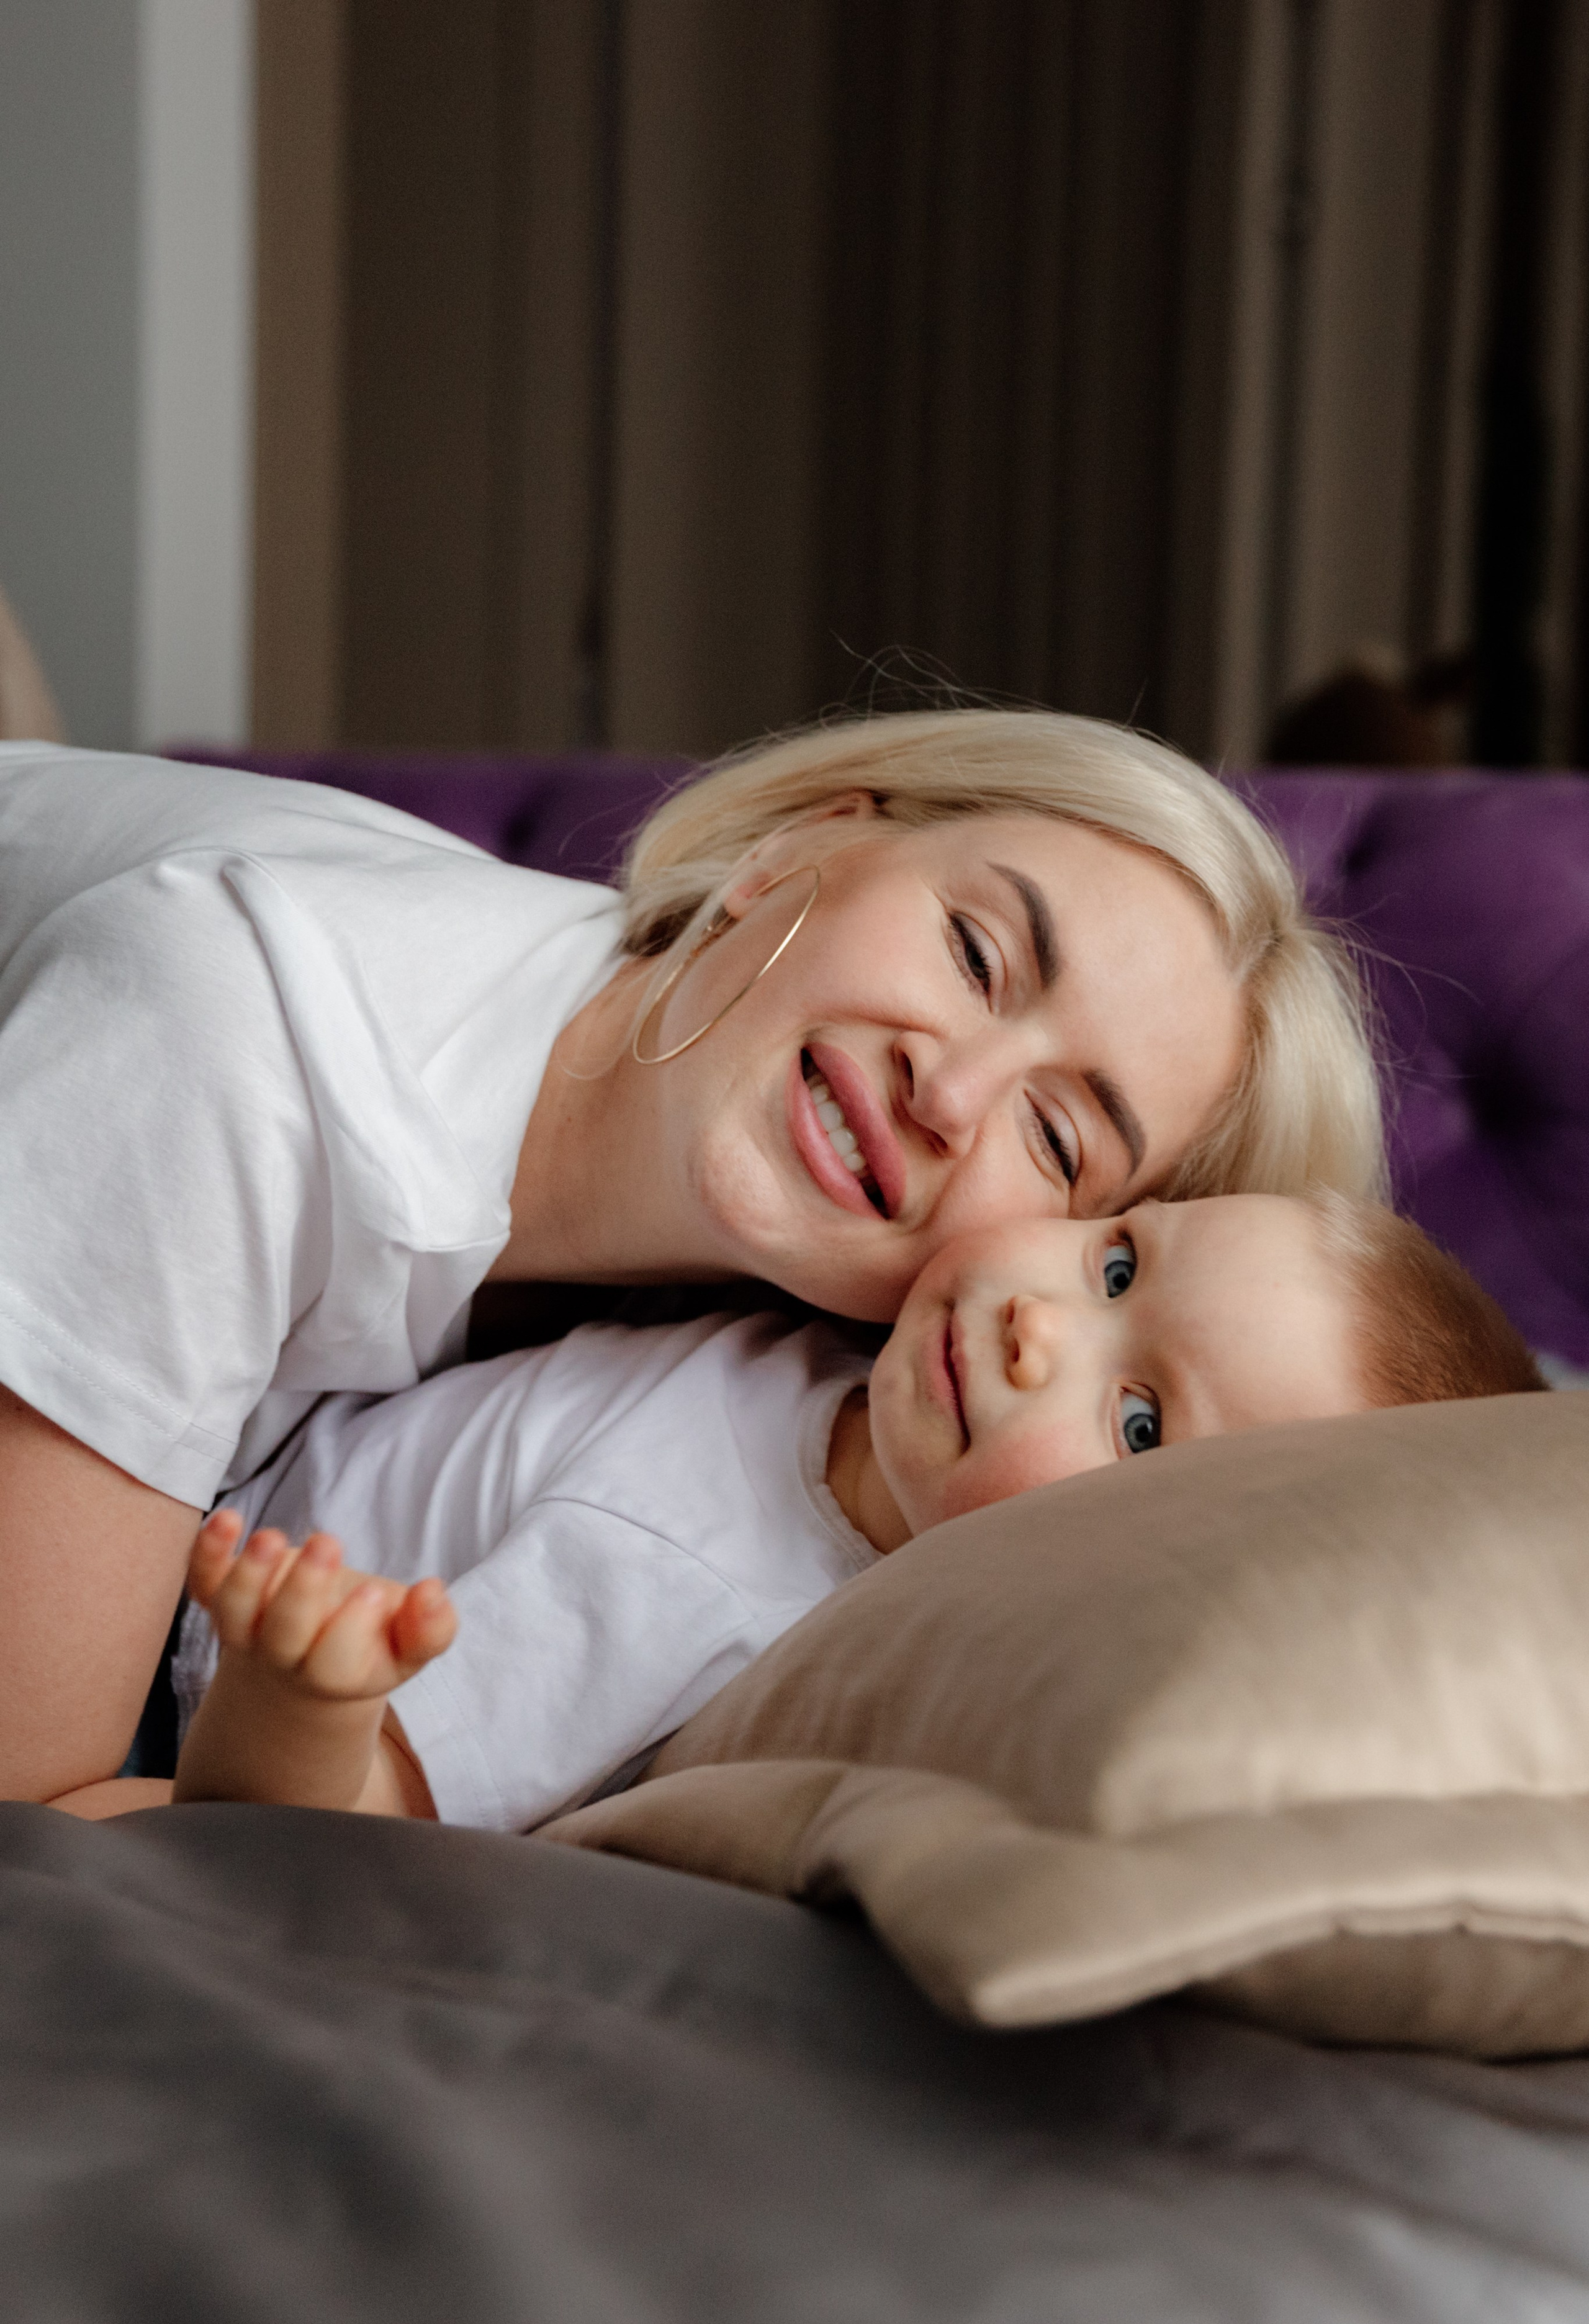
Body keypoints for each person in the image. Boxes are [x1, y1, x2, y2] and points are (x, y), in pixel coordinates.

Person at [0, 712, 1385, 1803]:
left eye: (1058, 1137)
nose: (948, 1096)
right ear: (792, 854)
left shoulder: (832, 1378)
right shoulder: (228, 1043)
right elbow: (39, 1828)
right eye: (973, 952)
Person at [155, 1192, 1542, 1829]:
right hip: (225, 1448)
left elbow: (339, 1816)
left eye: (1137, 1424)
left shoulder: (697, 1589)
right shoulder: (847, 1361)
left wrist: (298, 1695)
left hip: (182, 1649)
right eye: (1119, 1265)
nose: (1034, 1330)